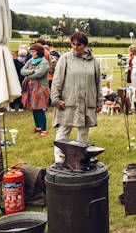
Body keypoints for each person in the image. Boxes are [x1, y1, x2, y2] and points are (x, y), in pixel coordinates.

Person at [51, 32, 103, 163]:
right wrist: (55, 99)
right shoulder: (65, 59)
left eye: (79, 45)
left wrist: (99, 100)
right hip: (68, 101)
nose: (75, 47)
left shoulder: (93, 62)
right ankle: (60, 158)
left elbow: (98, 83)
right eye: (73, 44)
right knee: (64, 129)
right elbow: (57, 80)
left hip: (87, 102)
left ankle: (81, 157)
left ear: (85, 45)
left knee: (84, 131)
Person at [21, 43, 50, 136]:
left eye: (34, 51)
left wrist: (28, 75)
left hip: (40, 88)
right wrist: (32, 71)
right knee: (34, 108)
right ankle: (38, 127)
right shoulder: (31, 60)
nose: (32, 53)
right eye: (31, 51)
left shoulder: (44, 62)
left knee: (40, 109)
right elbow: (22, 71)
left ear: (39, 52)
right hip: (31, 88)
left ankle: (44, 129)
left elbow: (40, 73)